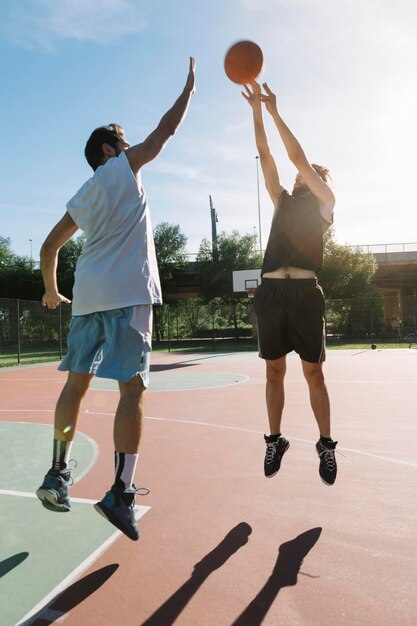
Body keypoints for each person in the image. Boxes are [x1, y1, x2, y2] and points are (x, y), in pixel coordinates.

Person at [36, 58, 196, 539]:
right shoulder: (122, 169)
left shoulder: (83, 193)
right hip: (128, 294)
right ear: (110, 149)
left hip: (86, 297)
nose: (131, 147)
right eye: (123, 141)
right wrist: (190, 89)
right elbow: (164, 133)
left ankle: (57, 474)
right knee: (132, 389)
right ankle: (121, 493)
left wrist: (50, 290)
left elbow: (49, 247)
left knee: (75, 386)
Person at [242, 81, 337, 485]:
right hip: (271, 291)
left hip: (303, 293)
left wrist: (276, 110)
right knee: (273, 373)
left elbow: (296, 158)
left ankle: (326, 445)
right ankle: (275, 439)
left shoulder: (325, 204)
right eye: (300, 175)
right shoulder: (281, 200)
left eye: (308, 174)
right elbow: (266, 155)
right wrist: (256, 112)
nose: (300, 176)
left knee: (313, 373)